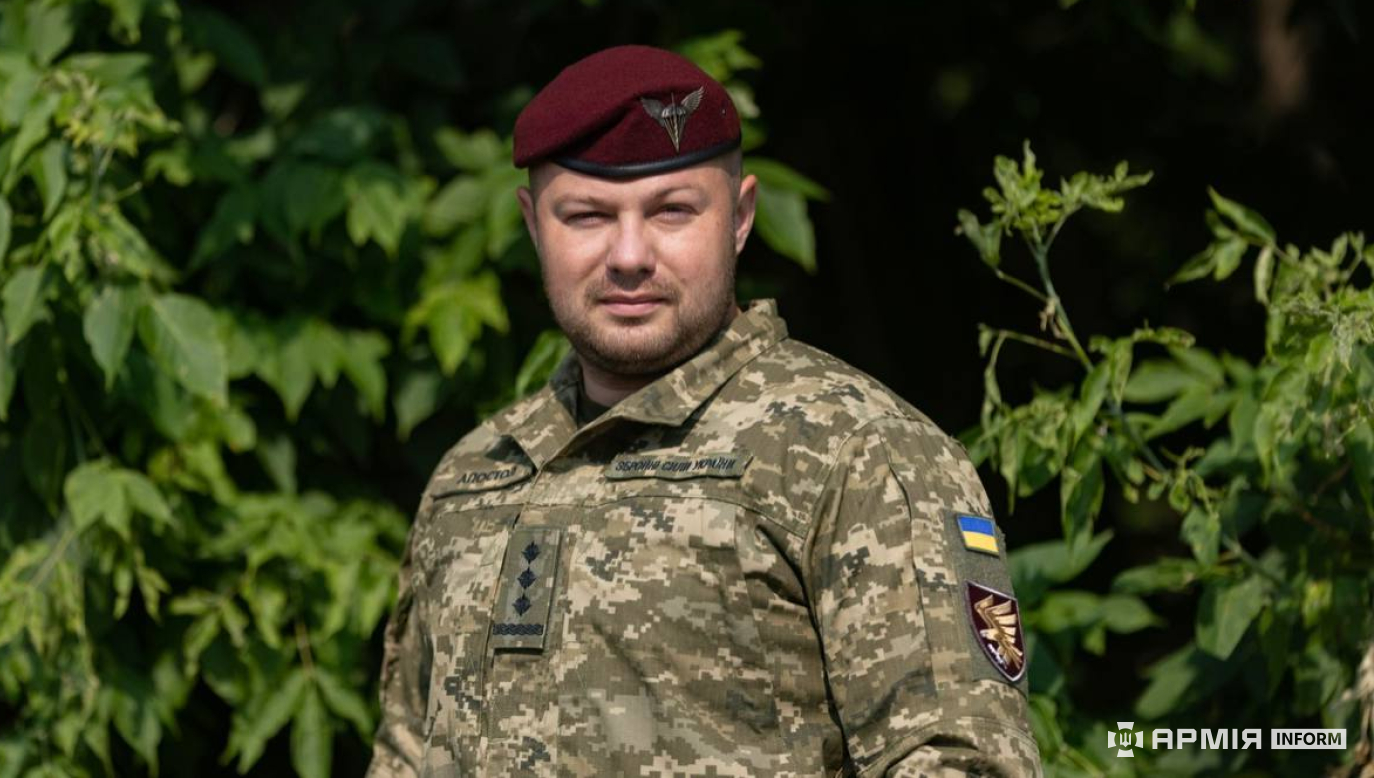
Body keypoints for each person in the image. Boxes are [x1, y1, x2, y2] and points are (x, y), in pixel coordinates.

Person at [365, 45, 1041, 777]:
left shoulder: (854, 451)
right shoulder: (474, 474)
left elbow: (965, 761)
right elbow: (404, 755)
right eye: (587, 216)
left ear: (741, 217)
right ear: (534, 226)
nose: (629, 255)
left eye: (672, 211)